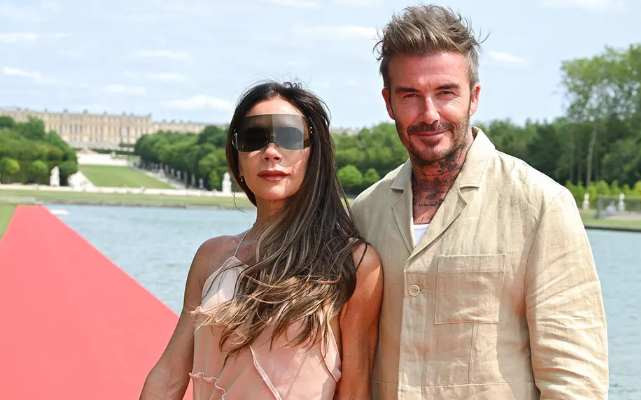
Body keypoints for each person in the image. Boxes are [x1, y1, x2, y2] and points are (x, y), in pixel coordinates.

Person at [350, 5, 608, 400]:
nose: (429, 114)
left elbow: (574, 377)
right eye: (410, 95)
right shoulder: (365, 213)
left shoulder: (540, 205)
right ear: (388, 103)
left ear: (474, 97)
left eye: (445, 92)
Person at [140, 81, 383, 400]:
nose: (270, 152)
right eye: (253, 139)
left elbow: (354, 391)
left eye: (289, 137)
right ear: (237, 157)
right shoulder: (211, 256)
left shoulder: (353, 263)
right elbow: (170, 374)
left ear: (313, 153)